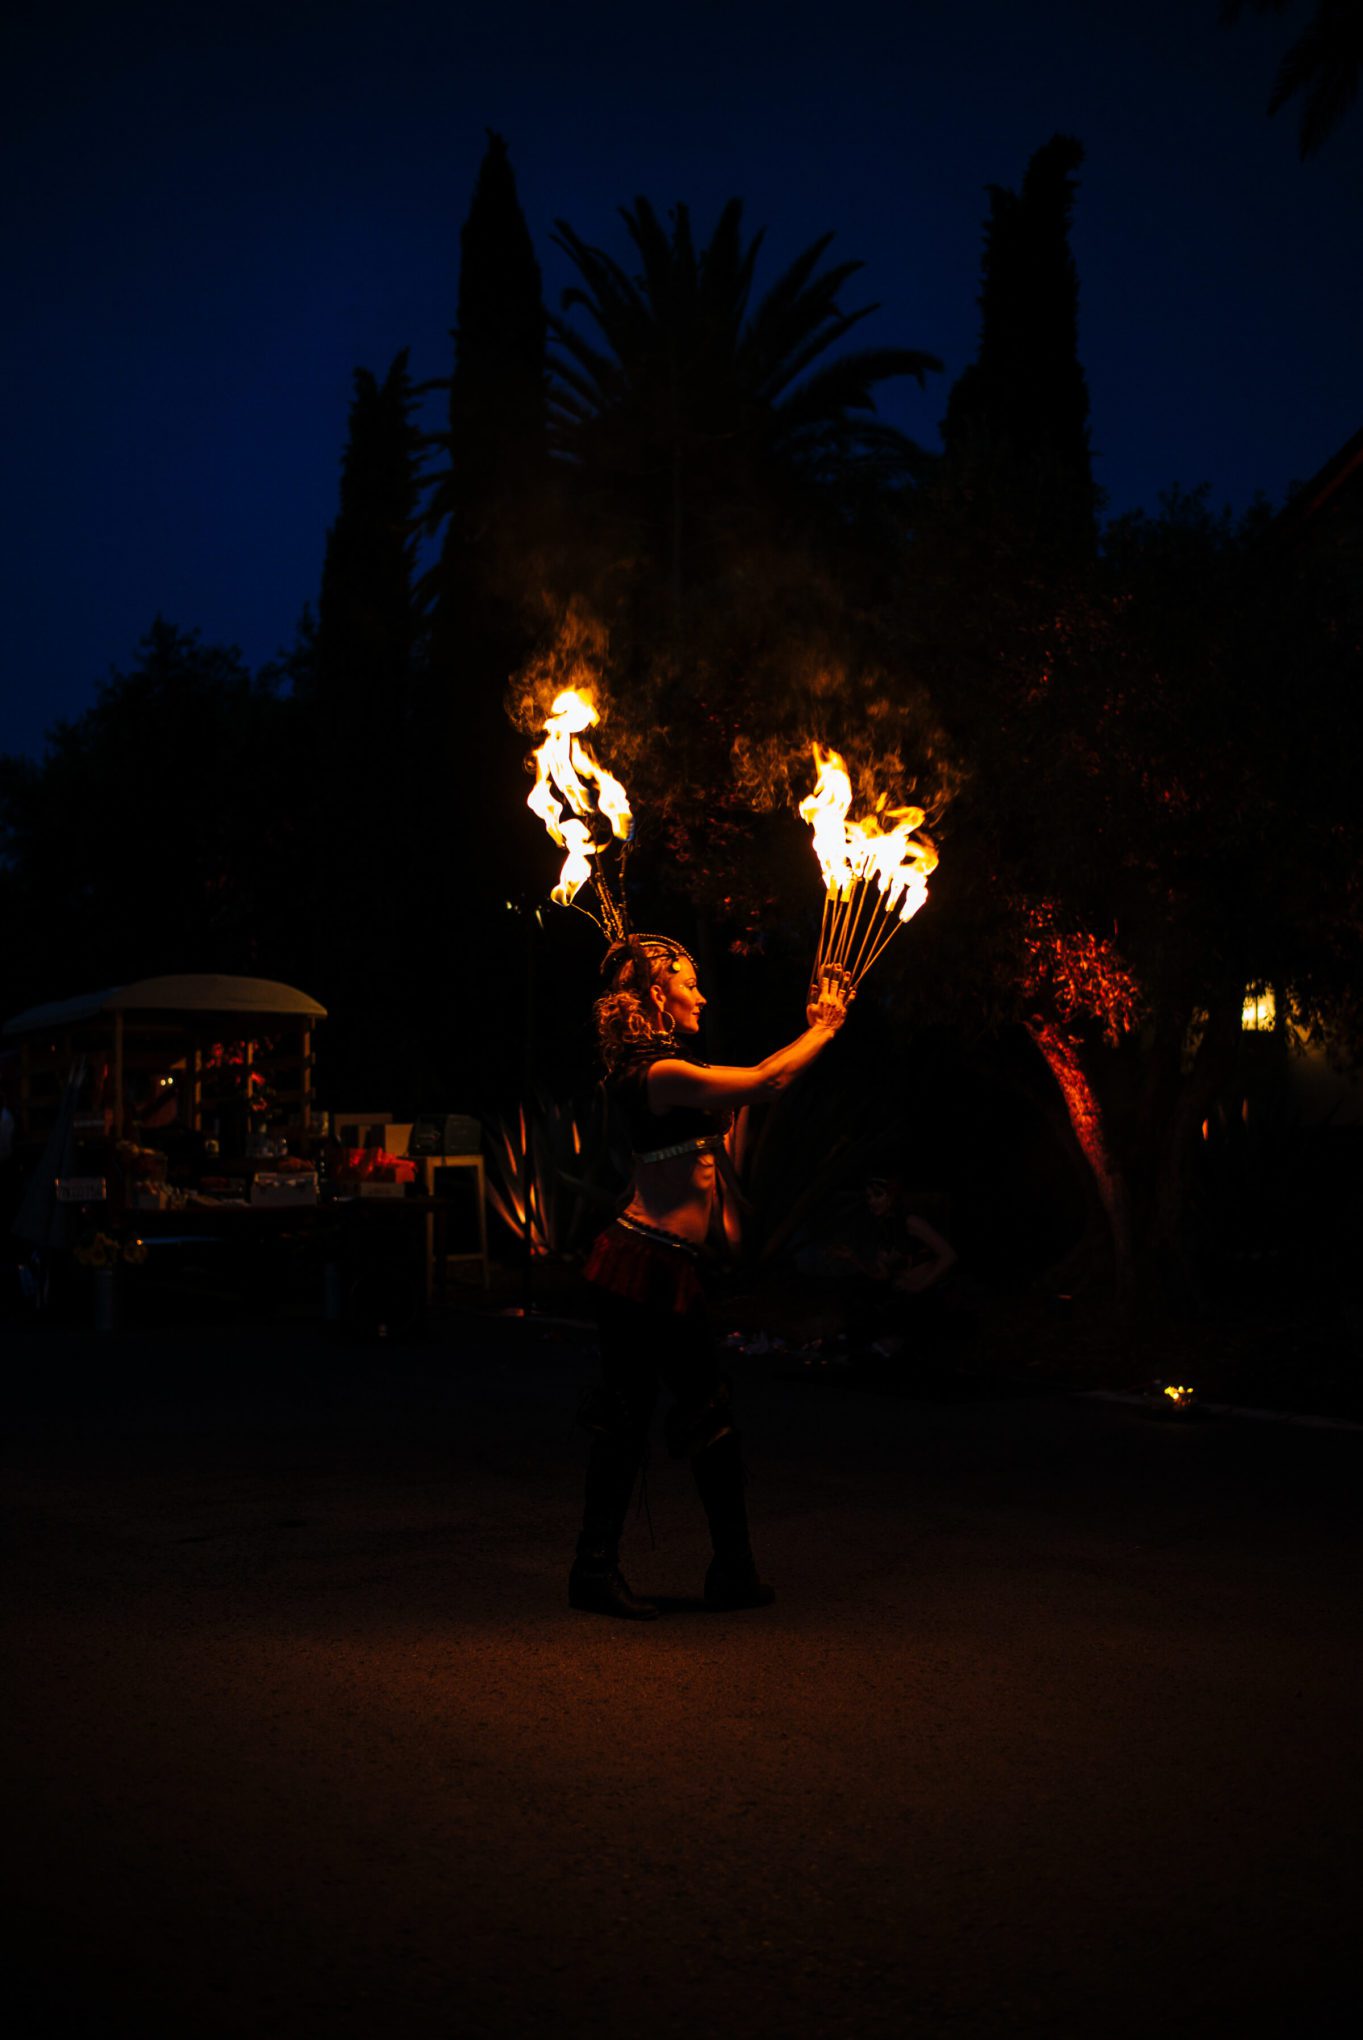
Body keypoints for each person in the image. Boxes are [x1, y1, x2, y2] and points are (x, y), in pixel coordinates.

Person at [569, 934, 852, 1620]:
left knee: (708, 1417)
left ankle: (729, 1570)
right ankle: (595, 1571)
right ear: (654, 997)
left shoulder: (672, 1066)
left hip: (675, 1266)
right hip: (644, 1267)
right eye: (688, 984)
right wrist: (823, 1027)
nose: (702, 994)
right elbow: (766, 1081)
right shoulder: (657, 1073)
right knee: (632, 1418)